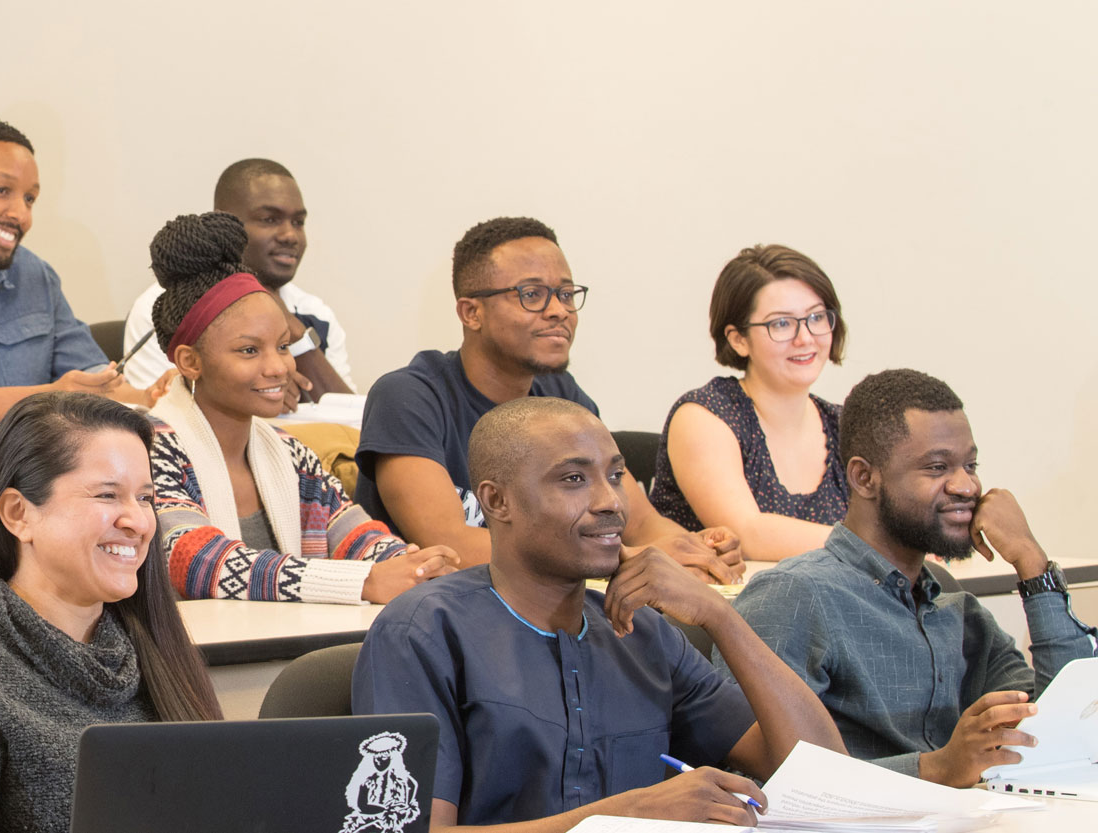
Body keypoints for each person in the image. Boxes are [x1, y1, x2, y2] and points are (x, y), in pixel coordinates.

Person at [353, 397, 845, 830]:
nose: (610, 502)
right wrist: (623, 816)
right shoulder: (422, 631)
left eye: (614, 476)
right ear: (497, 501)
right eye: (573, 479)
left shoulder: (644, 632)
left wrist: (721, 616)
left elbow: (826, 774)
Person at [0, 392, 223, 833]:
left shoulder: (153, 647)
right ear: (19, 514)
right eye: (108, 495)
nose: (139, 521)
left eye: (146, 497)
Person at [723, 369, 1097, 786]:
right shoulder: (795, 595)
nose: (967, 486)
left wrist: (1032, 563)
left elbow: (1072, 728)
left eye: (970, 464)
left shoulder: (957, 609)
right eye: (937, 467)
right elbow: (759, 773)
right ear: (865, 478)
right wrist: (938, 769)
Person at [355, 217, 744, 582]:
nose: (559, 311)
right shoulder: (409, 397)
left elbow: (638, 521)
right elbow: (450, 545)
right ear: (471, 312)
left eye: (566, 294)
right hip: (437, 626)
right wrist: (629, 558)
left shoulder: (561, 396)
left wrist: (697, 551)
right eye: (532, 295)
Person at [140, 212, 453, 604]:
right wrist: (364, 582)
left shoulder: (290, 452)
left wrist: (412, 566)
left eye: (283, 346)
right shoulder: (143, 450)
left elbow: (353, 534)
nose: (279, 367)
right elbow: (197, 561)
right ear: (190, 362)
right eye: (249, 350)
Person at [0, 117, 166, 422]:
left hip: (25, 467)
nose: (21, 215)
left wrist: (148, 396)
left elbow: (90, 377)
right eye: (2, 190)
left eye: (29, 198)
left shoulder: (37, 276)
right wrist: (50, 397)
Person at [649, 245, 850, 561]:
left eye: (816, 317)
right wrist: (870, 547)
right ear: (738, 339)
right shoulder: (704, 414)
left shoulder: (844, 424)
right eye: (781, 324)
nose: (806, 338)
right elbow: (748, 533)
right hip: (719, 606)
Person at [122, 159, 353, 410]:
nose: (290, 235)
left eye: (298, 222)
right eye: (269, 219)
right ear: (227, 223)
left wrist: (298, 336)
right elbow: (155, 415)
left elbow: (354, 422)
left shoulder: (317, 312)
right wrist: (260, 397)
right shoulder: (170, 306)